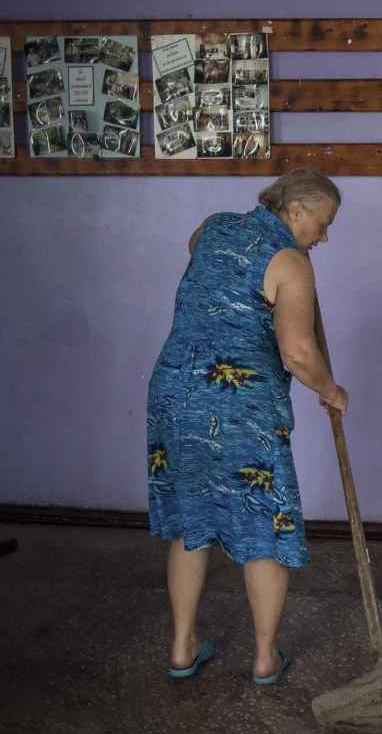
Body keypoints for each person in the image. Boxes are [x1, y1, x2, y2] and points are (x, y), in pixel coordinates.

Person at [146, 168, 349, 684]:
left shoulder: (213, 226)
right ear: (296, 209)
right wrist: (331, 390)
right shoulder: (291, 262)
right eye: (323, 224)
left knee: (192, 521)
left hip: (176, 392)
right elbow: (297, 352)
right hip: (240, 405)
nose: (325, 237)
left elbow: (201, 253)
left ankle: (182, 646)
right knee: (263, 526)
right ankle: (264, 657)